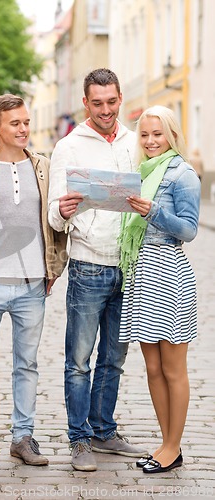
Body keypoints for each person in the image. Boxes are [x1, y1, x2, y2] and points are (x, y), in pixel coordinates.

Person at [0, 94, 68, 469]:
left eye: (26, 122)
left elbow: (56, 217)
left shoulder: (45, 167)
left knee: (27, 363)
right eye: (15, 123)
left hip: (32, 283)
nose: (24, 129)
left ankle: (23, 437)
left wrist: (53, 265)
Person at [48, 68, 147, 471]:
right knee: (79, 360)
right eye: (97, 103)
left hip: (129, 264)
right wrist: (63, 210)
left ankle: (104, 430)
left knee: (114, 358)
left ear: (120, 98)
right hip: (89, 266)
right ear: (85, 103)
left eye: (111, 101)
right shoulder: (68, 147)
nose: (105, 110)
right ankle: (79, 438)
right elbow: (54, 216)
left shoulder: (135, 142)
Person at [118, 105, 200, 473]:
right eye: (145, 135)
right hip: (141, 272)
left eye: (158, 134)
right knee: (152, 366)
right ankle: (167, 443)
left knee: (172, 367)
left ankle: (172, 445)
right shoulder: (138, 173)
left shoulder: (183, 175)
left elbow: (188, 230)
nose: (151, 141)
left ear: (172, 135)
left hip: (168, 272)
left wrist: (152, 212)